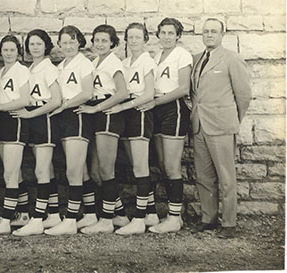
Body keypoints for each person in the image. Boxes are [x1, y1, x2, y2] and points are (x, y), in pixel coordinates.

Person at [191, 18, 251, 239]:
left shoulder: (232, 59)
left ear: (222, 34)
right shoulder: (197, 59)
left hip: (222, 126)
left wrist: (233, 120)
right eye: (205, 31)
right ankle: (208, 218)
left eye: (214, 31)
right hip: (199, 125)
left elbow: (244, 95)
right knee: (203, 176)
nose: (209, 35)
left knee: (226, 176)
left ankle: (229, 223)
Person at [101, 23, 158, 235]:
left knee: (141, 167)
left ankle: (140, 219)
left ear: (145, 40)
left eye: (138, 37)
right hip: (126, 115)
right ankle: (151, 212)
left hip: (139, 113)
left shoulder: (147, 61)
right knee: (135, 165)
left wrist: (122, 106)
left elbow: (148, 93)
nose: (133, 41)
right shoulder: (124, 63)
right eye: (130, 37)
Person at [138, 17, 192, 234]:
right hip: (156, 109)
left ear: (178, 36)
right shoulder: (157, 56)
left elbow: (183, 88)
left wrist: (156, 102)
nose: (167, 37)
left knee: (171, 166)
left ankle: (174, 217)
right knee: (160, 164)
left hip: (173, 109)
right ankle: (163, 214)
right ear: (158, 35)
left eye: (171, 33)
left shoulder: (182, 54)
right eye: (163, 33)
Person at [75, 24, 129, 234]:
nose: (99, 44)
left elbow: (122, 92)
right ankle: (120, 215)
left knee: (107, 169)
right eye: (96, 40)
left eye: (104, 40)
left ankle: (106, 220)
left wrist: (97, 108)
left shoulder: (113, 62)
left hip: (108, 113)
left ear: (113, 43)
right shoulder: (96, 61)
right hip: (97, 113)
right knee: (97, 171)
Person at [44, 25, 94, 235]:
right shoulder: (60, 66)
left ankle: (71, 220)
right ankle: (90, 214)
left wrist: (64, 106)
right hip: (63, 117)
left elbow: (87, 93)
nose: (68, 46)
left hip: (77, 116)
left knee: (73, 170)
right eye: (64, 43)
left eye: (72, 42)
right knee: (80, 170)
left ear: (79, 42)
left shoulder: (84, 64)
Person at [10, 29, 62, 236]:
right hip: (32, 115)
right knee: (46, 170)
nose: (35, 47)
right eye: (31, 44)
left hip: (44, 117)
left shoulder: (48, 68)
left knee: (41, 170)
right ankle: (54, 214)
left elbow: (56, 100)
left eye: (39, 44)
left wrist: (32, 116)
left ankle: (38, 219)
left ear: (46, 46)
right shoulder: (30, 68)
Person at [0, 35, 30, 236]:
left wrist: (0, 107)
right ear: (0, 51)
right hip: (0, 121)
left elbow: (25, 99)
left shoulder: (22, 70)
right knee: (13, 172)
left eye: (12, 50)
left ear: (18, 52)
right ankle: (23, 214)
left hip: (14, 120)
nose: (8, 53)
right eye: (5, 50)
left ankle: (6, 220)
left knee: (10, 173)